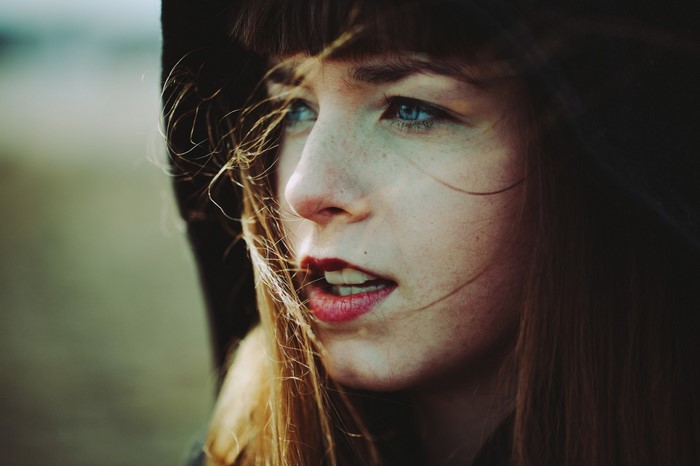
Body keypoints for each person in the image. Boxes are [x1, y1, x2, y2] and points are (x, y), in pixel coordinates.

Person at [161, 1, 700, 464]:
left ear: (596, 157)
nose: (305, 189)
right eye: (297, 108)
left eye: (410, 109)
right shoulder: (238, 448)